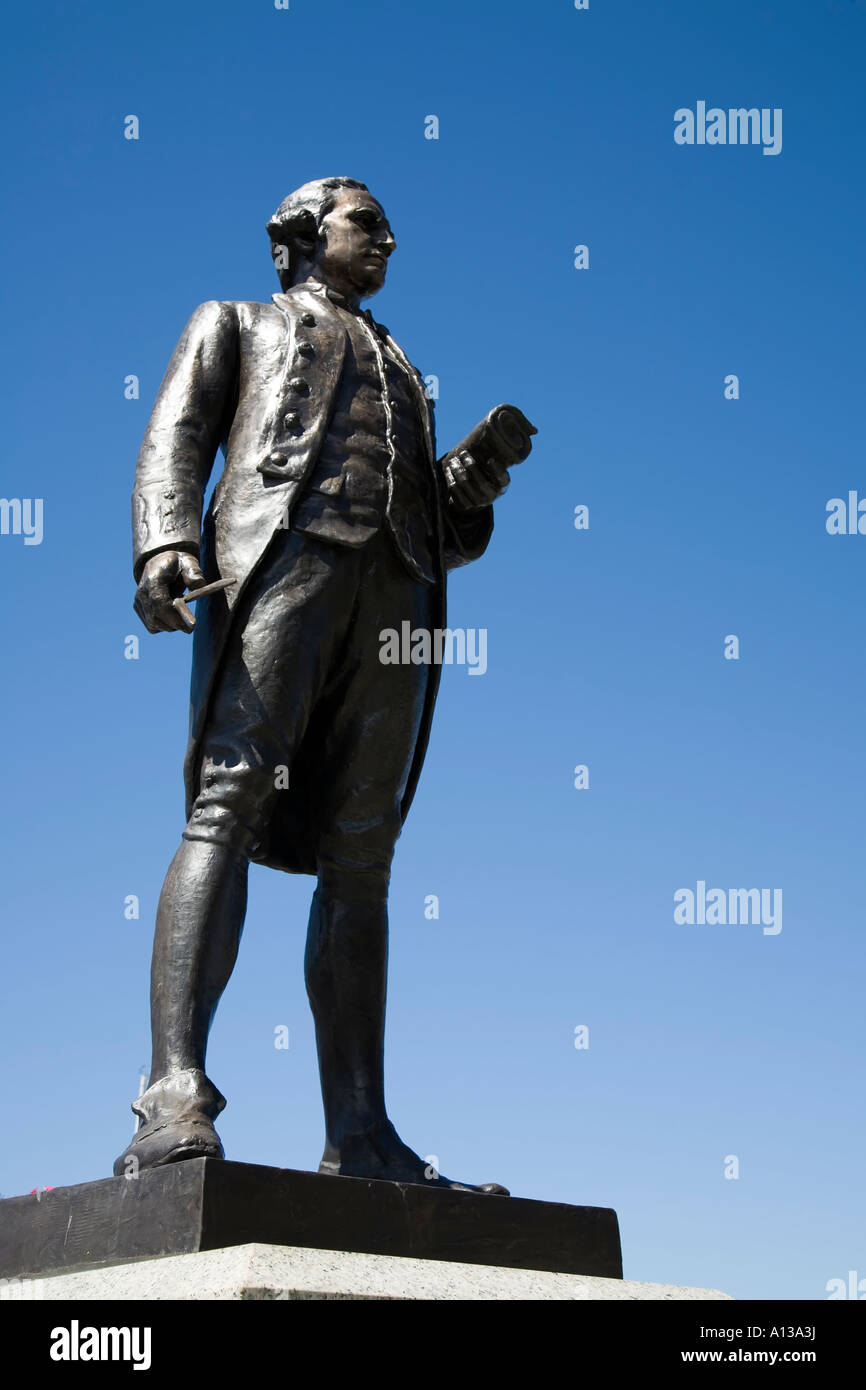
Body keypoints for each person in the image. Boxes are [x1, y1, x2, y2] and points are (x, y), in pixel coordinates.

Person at [115, 177, 535, 1192]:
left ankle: (360, 1129)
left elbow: (433, 517)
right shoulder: (234, 322)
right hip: (278, 567)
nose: (388, 237)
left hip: (395, 593)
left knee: (364, 857)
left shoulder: (403, 365)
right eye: (366, 221)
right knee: (228, 799)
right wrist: (164, 541)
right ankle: (173, 1092)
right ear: (301, 235)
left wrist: (463, 492)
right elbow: (176, 434)